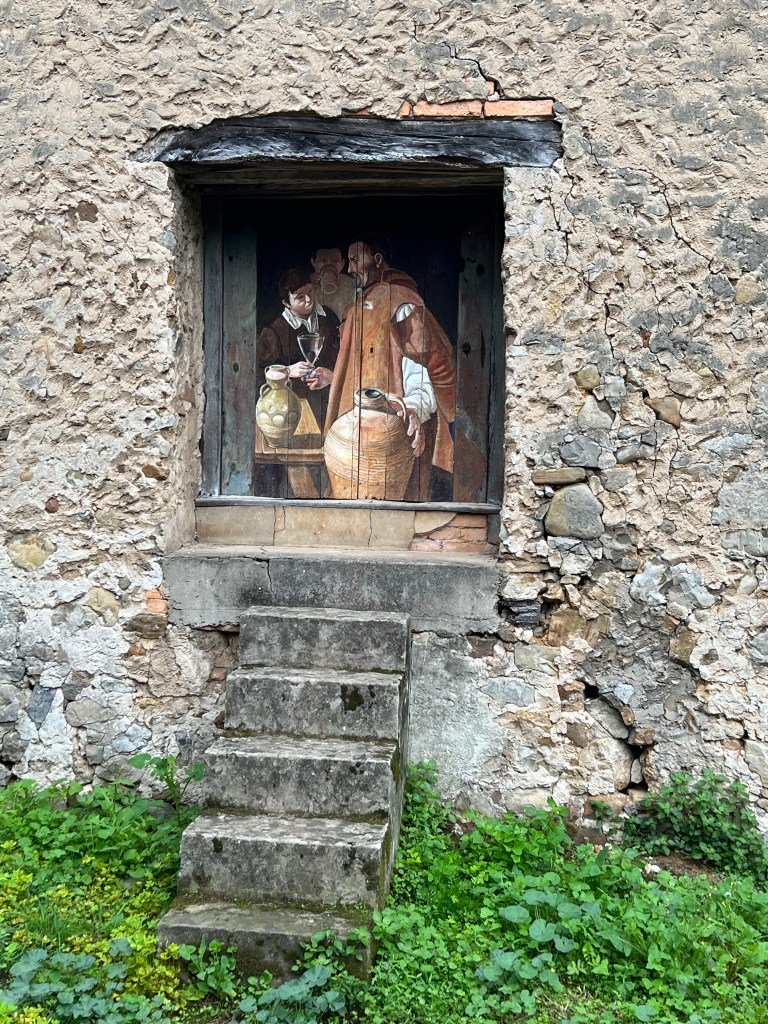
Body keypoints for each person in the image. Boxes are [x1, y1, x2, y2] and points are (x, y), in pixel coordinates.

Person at [325, 235, 456, 500]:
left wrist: (412, 409)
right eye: (348, 261)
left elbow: (423, 373)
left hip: (394, 444)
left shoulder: (403, 304)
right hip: (353, 443)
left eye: (355, 259)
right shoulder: (359, 305)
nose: (350, 269)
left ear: (377, 259)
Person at [257, 268, 340, 432]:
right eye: (300, 297)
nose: (308, 300)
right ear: (286, 303)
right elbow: (258, 374)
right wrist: (287, 371)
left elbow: (345, 357)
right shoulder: (274, 331)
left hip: (330, 401)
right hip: (291, 411)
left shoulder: (329, 318)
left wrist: (331, 375)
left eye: (310, 291)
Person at [309, 247, 356, 323]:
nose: (329, 265)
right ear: (313, 262)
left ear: (342, 264)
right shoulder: (306, 284)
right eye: (324, 261)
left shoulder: (351, 284)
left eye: (335, 261)